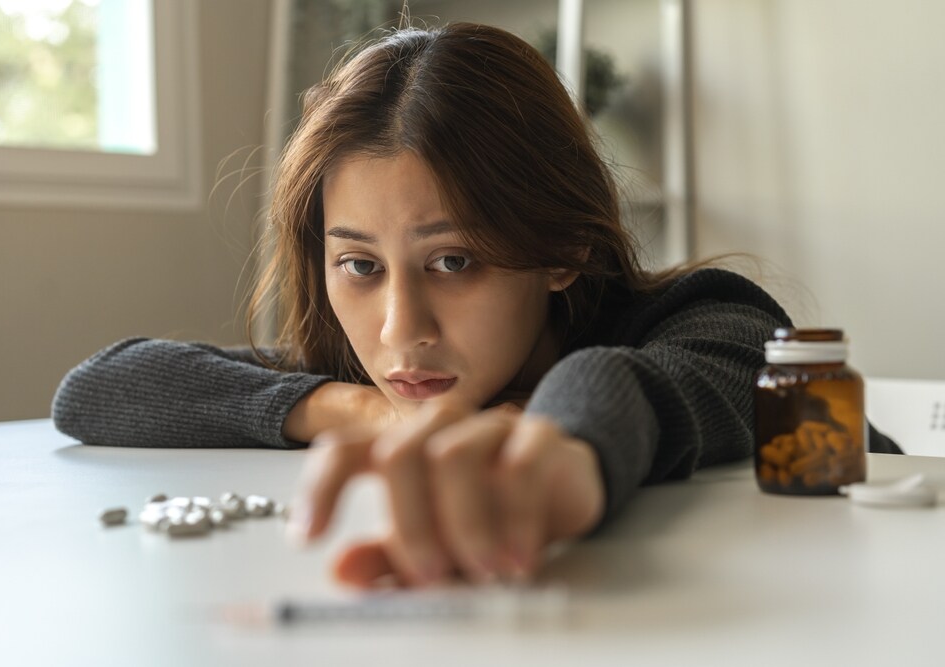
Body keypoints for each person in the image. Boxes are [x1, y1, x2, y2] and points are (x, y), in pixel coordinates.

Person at [51, 22, 899, 588]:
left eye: (452, 260)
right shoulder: (377, 374)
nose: (398, 329)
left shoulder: (709, 319)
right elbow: (98, 387)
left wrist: (558, 448)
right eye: (359, 264)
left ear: (563, 248)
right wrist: (364, 414)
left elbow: (638, 381)